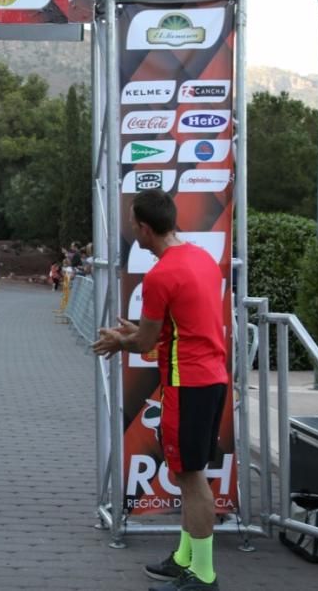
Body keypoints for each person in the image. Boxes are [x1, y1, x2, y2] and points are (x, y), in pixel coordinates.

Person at [92, 190, 226, 591]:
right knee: (190, 473)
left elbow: (146, 343)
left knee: (190, 478)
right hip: (209, 378)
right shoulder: (200, 258)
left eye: (134, 225)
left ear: (146, 229)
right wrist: (140, 334)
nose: (133, 231)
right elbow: (182, 328)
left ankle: (203, 576)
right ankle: (187, 558)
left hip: (189, 384)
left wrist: (120, 340)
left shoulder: (162, 274)